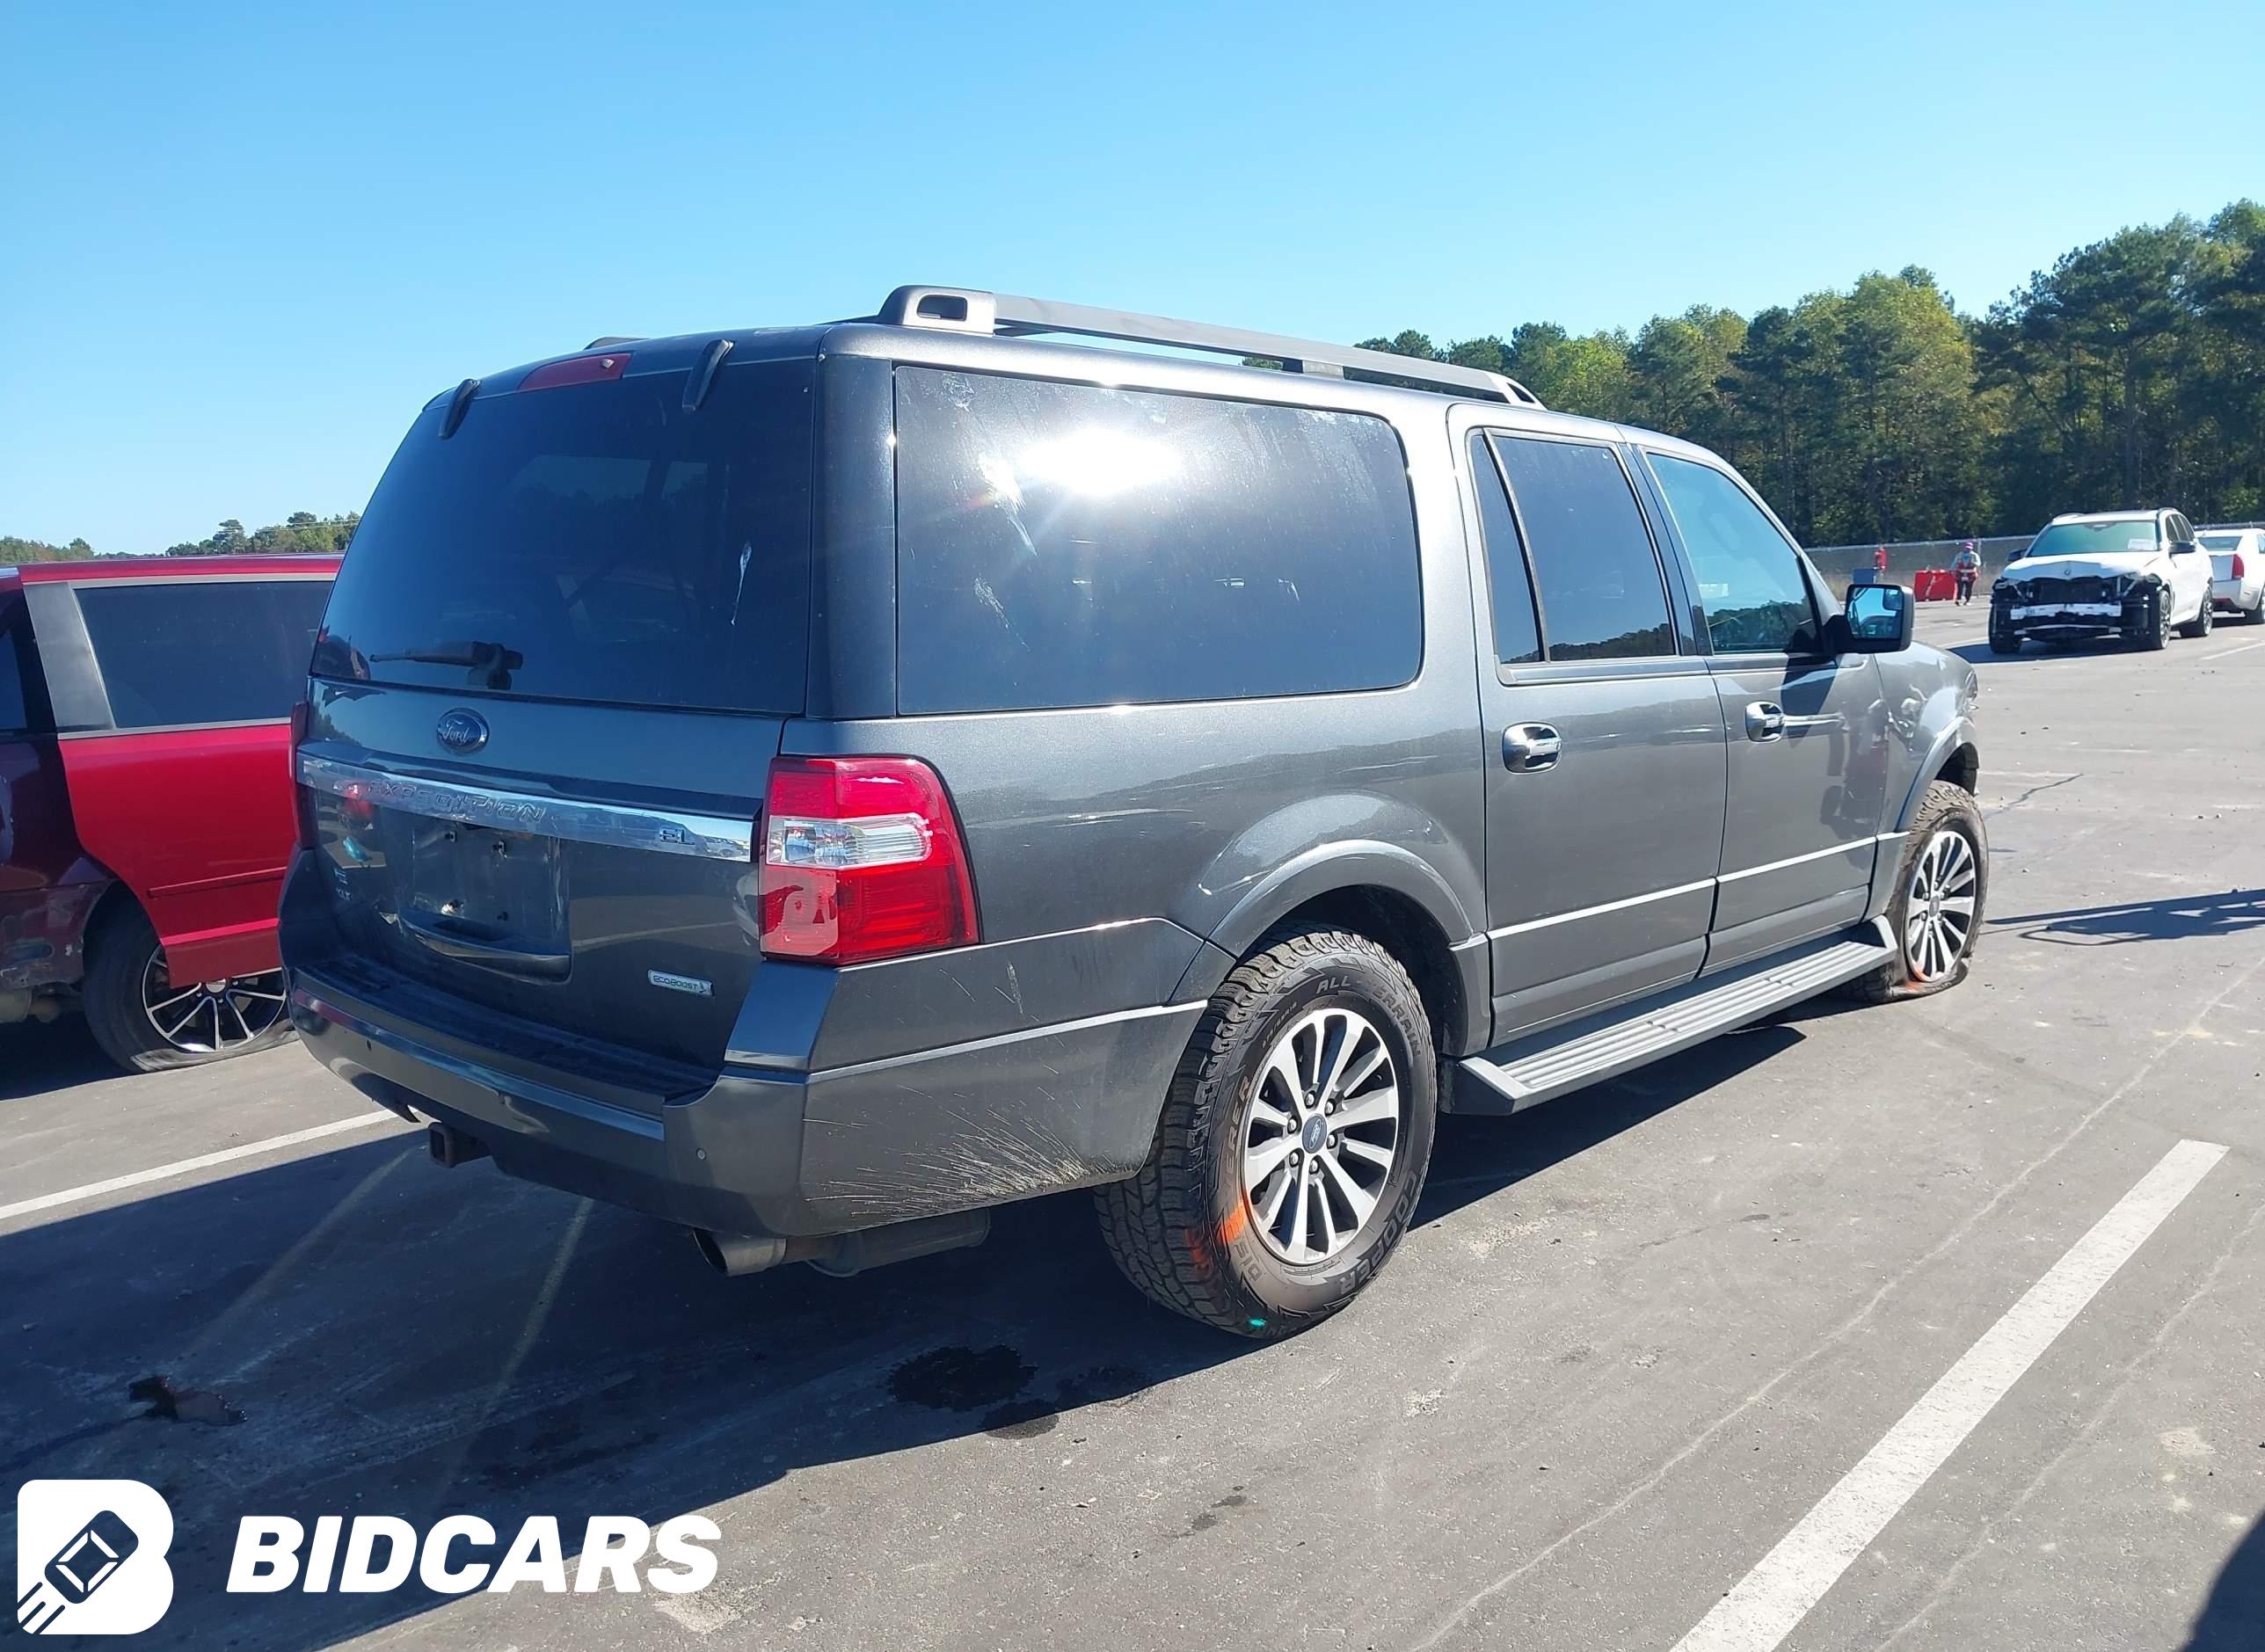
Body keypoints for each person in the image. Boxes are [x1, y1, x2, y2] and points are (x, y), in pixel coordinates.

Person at [1953, 540, 1981, 606]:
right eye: (1966, 548)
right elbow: (1955, 562)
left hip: (1970, 574)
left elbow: (1978, 563)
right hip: (1960, 574)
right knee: (1960, 587)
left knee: (1969, 588)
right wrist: (1951, 569)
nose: (1967, 549)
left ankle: (1967, 600)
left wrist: (1973, 563)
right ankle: (1958, 600)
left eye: (1969, 548)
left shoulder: (1974, 555)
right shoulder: (1960, 555)